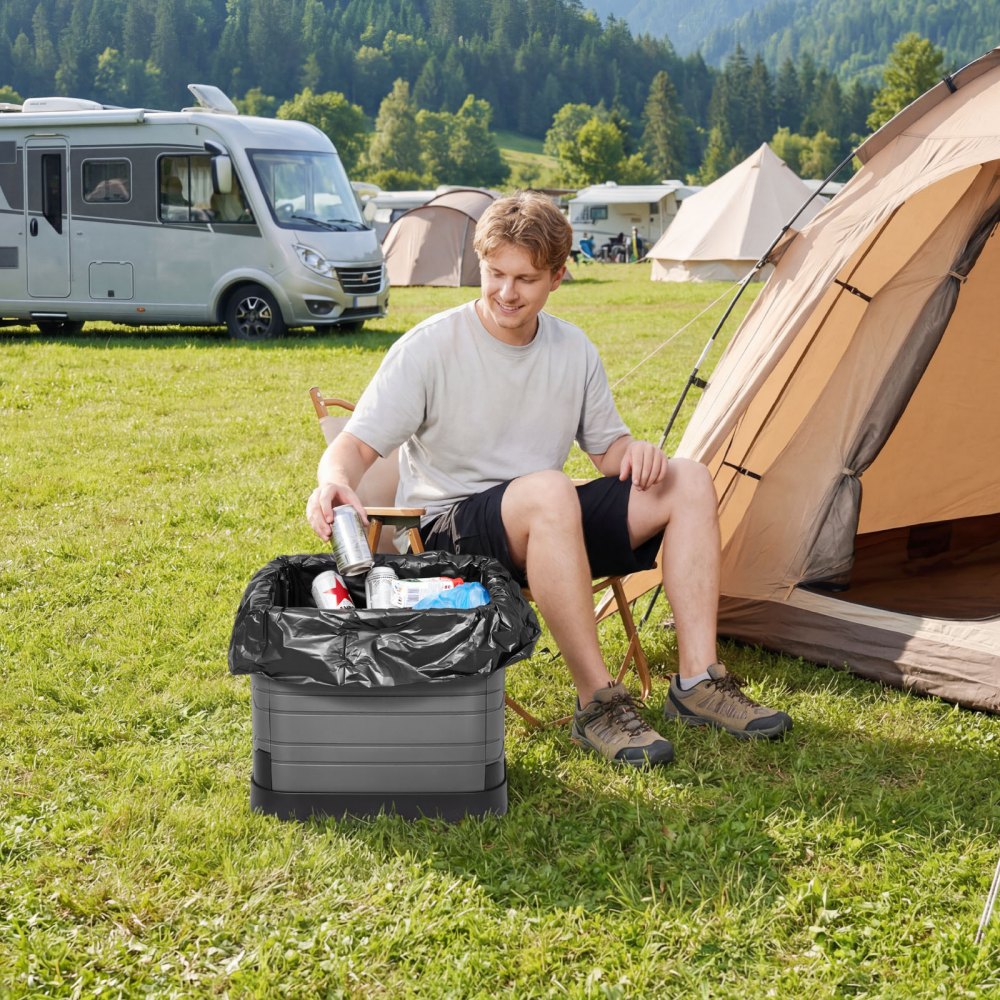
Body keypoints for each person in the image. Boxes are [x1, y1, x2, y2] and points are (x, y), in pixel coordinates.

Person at [306, 191, 792, 768]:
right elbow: (356, 446)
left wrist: (633, 451)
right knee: (549, 489)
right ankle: (598, 703)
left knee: (687, 479)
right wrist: (333, 481)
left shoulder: (572, 349)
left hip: (547, 522)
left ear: (557, 277)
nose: (507, 292)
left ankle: (697, 682)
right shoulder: (431, 347)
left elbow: (608, 450)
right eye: (495, 274)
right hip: (446, 536)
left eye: (526, 279)